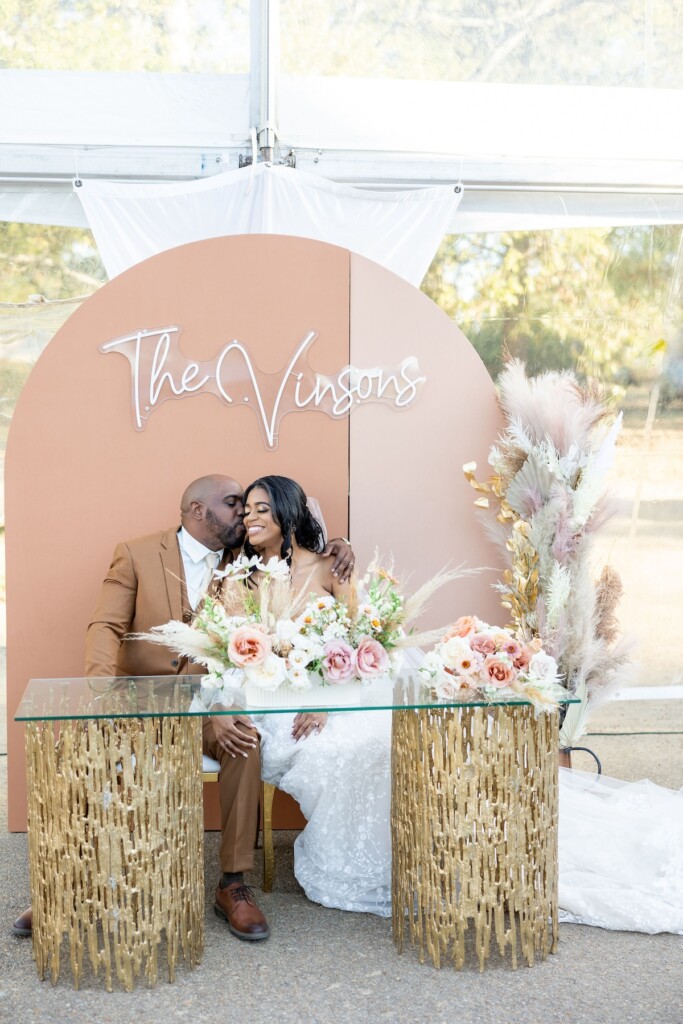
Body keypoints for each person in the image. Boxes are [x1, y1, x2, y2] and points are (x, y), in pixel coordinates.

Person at [11, 473, 355, 940]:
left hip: (209, 700)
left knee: (244, 743)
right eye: (234, 504)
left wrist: (339, 544)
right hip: (141, 700)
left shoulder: (246, 560)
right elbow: (105, 627)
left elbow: (295, 553)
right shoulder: (135, 553)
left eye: (248, 507)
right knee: (89, 759)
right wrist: (100, 697)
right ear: (199, 511)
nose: (243, 514)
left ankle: (233, 884)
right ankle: (68, 884)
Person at [242, 475, 394, 916]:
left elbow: (356, 638)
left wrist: (325, 701)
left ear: (287, 513)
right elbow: (242, 656)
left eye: (261, 509)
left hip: (337, 694)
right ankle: (344, 864)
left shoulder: (332, 569)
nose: (250, 517)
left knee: (376, 744)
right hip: (276, 703)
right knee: (327, 754)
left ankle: (388, 860)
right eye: (247, 510)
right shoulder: (245, 581)